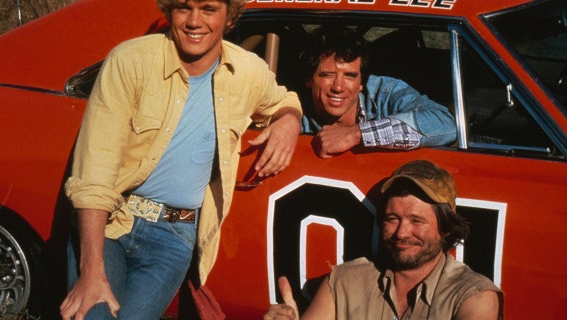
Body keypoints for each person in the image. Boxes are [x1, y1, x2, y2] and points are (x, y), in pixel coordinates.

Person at [60, 0, 302, 319]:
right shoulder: (130, 60)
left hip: (174, 237)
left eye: (208, 9)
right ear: (170, 12)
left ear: (229, 17)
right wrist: (91, 271)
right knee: (92, 315)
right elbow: (95, 170)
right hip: (112, 222)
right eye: (184, 8)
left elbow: (283, 98)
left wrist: (289, 120)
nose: (194, 21)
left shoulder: (247, 71)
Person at [264, 159, 503, 320]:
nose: (401, 233)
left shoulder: (474, 297)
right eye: (392, 218)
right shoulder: (343, 282)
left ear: (446, 229)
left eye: (416, 221)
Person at [299, 25, 456, 158]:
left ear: (362, 83)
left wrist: (357, 134)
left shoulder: (385, 92)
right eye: (328, 75)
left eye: (350, 76)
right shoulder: (293, 111)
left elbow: (445, 124)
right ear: (309, 80)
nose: (338, 87)